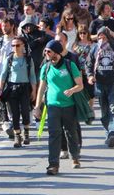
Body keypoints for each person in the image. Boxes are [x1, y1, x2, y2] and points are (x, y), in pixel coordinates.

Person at [34, 40, 83, 175]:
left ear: (56, 52)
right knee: (54, 134)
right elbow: (41, 88)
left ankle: (75, 157)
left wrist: (72, 90)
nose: (46, 53)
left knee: (71, 132)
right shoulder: (46, 67)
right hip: (52, 106)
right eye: (45, 51)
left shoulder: (69, 65)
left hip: (69, 105)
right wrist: (37, 106)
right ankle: (53, 165)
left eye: (48, 51)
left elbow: (80, 85)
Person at [86, 27, 114, 148]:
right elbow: (89, 64)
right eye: (99, 36)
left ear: (108, 37)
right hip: (100, 83)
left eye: (104, 36)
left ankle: (113, 133)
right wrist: (90, 76)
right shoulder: (94, 49)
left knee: (113, 109)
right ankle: (108, 132)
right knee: (104, 111)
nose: (101, 38)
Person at [0, 37, 37, 147]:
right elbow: (3, 74)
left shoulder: (28, 59)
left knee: (25, 111)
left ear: (23, 45)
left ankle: (26, 133)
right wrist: (0, 89)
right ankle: (17, 136)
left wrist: (34, 90)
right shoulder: (9, 59)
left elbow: (33, 76)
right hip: (12, 88)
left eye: (18, 45)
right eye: (13, 45)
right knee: (14, 113)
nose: (15, 48)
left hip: (25, 87)